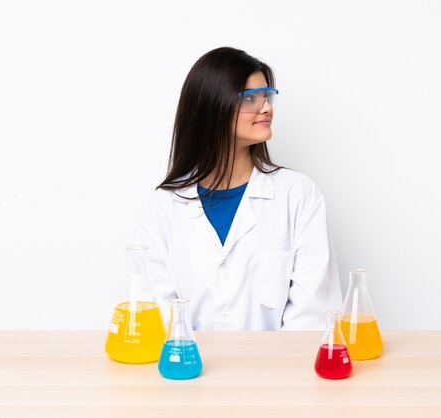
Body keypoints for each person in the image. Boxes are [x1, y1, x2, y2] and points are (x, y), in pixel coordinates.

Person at [135, 47, 341, 330]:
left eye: (266, 96)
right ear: (211, 107)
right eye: (250, 98)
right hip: (188, 371)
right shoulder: (165, 206)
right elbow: (155, 317)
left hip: (277, 371)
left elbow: (313, 317)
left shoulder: (298, 195)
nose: (266, 107)